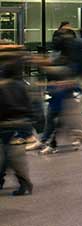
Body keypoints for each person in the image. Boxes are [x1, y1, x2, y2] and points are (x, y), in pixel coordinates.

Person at [0, 51, 34, 195]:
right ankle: (24, 184)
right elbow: (29, 106)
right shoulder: (21, 85)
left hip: (5, 125)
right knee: (12, 156)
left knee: (7, 157)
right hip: (20, 125)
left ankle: (24, 184)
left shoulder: (2, 87)